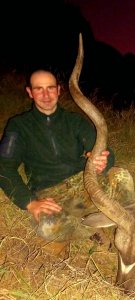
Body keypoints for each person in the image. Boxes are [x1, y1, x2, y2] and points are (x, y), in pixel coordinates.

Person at [0, 69, 128, 254]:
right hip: (52, 194)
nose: (46, 95)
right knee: (48, 228)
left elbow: (104, 150)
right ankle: (90, 226)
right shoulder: (18, 126)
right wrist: (29, 202)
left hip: (83, 185)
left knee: (122, 177)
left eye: (51, 88)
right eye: (39, 89)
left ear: (59, 90)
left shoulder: (75, 121)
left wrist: (103, 162)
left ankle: (122, 232)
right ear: (29, 92)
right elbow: (4, 168)